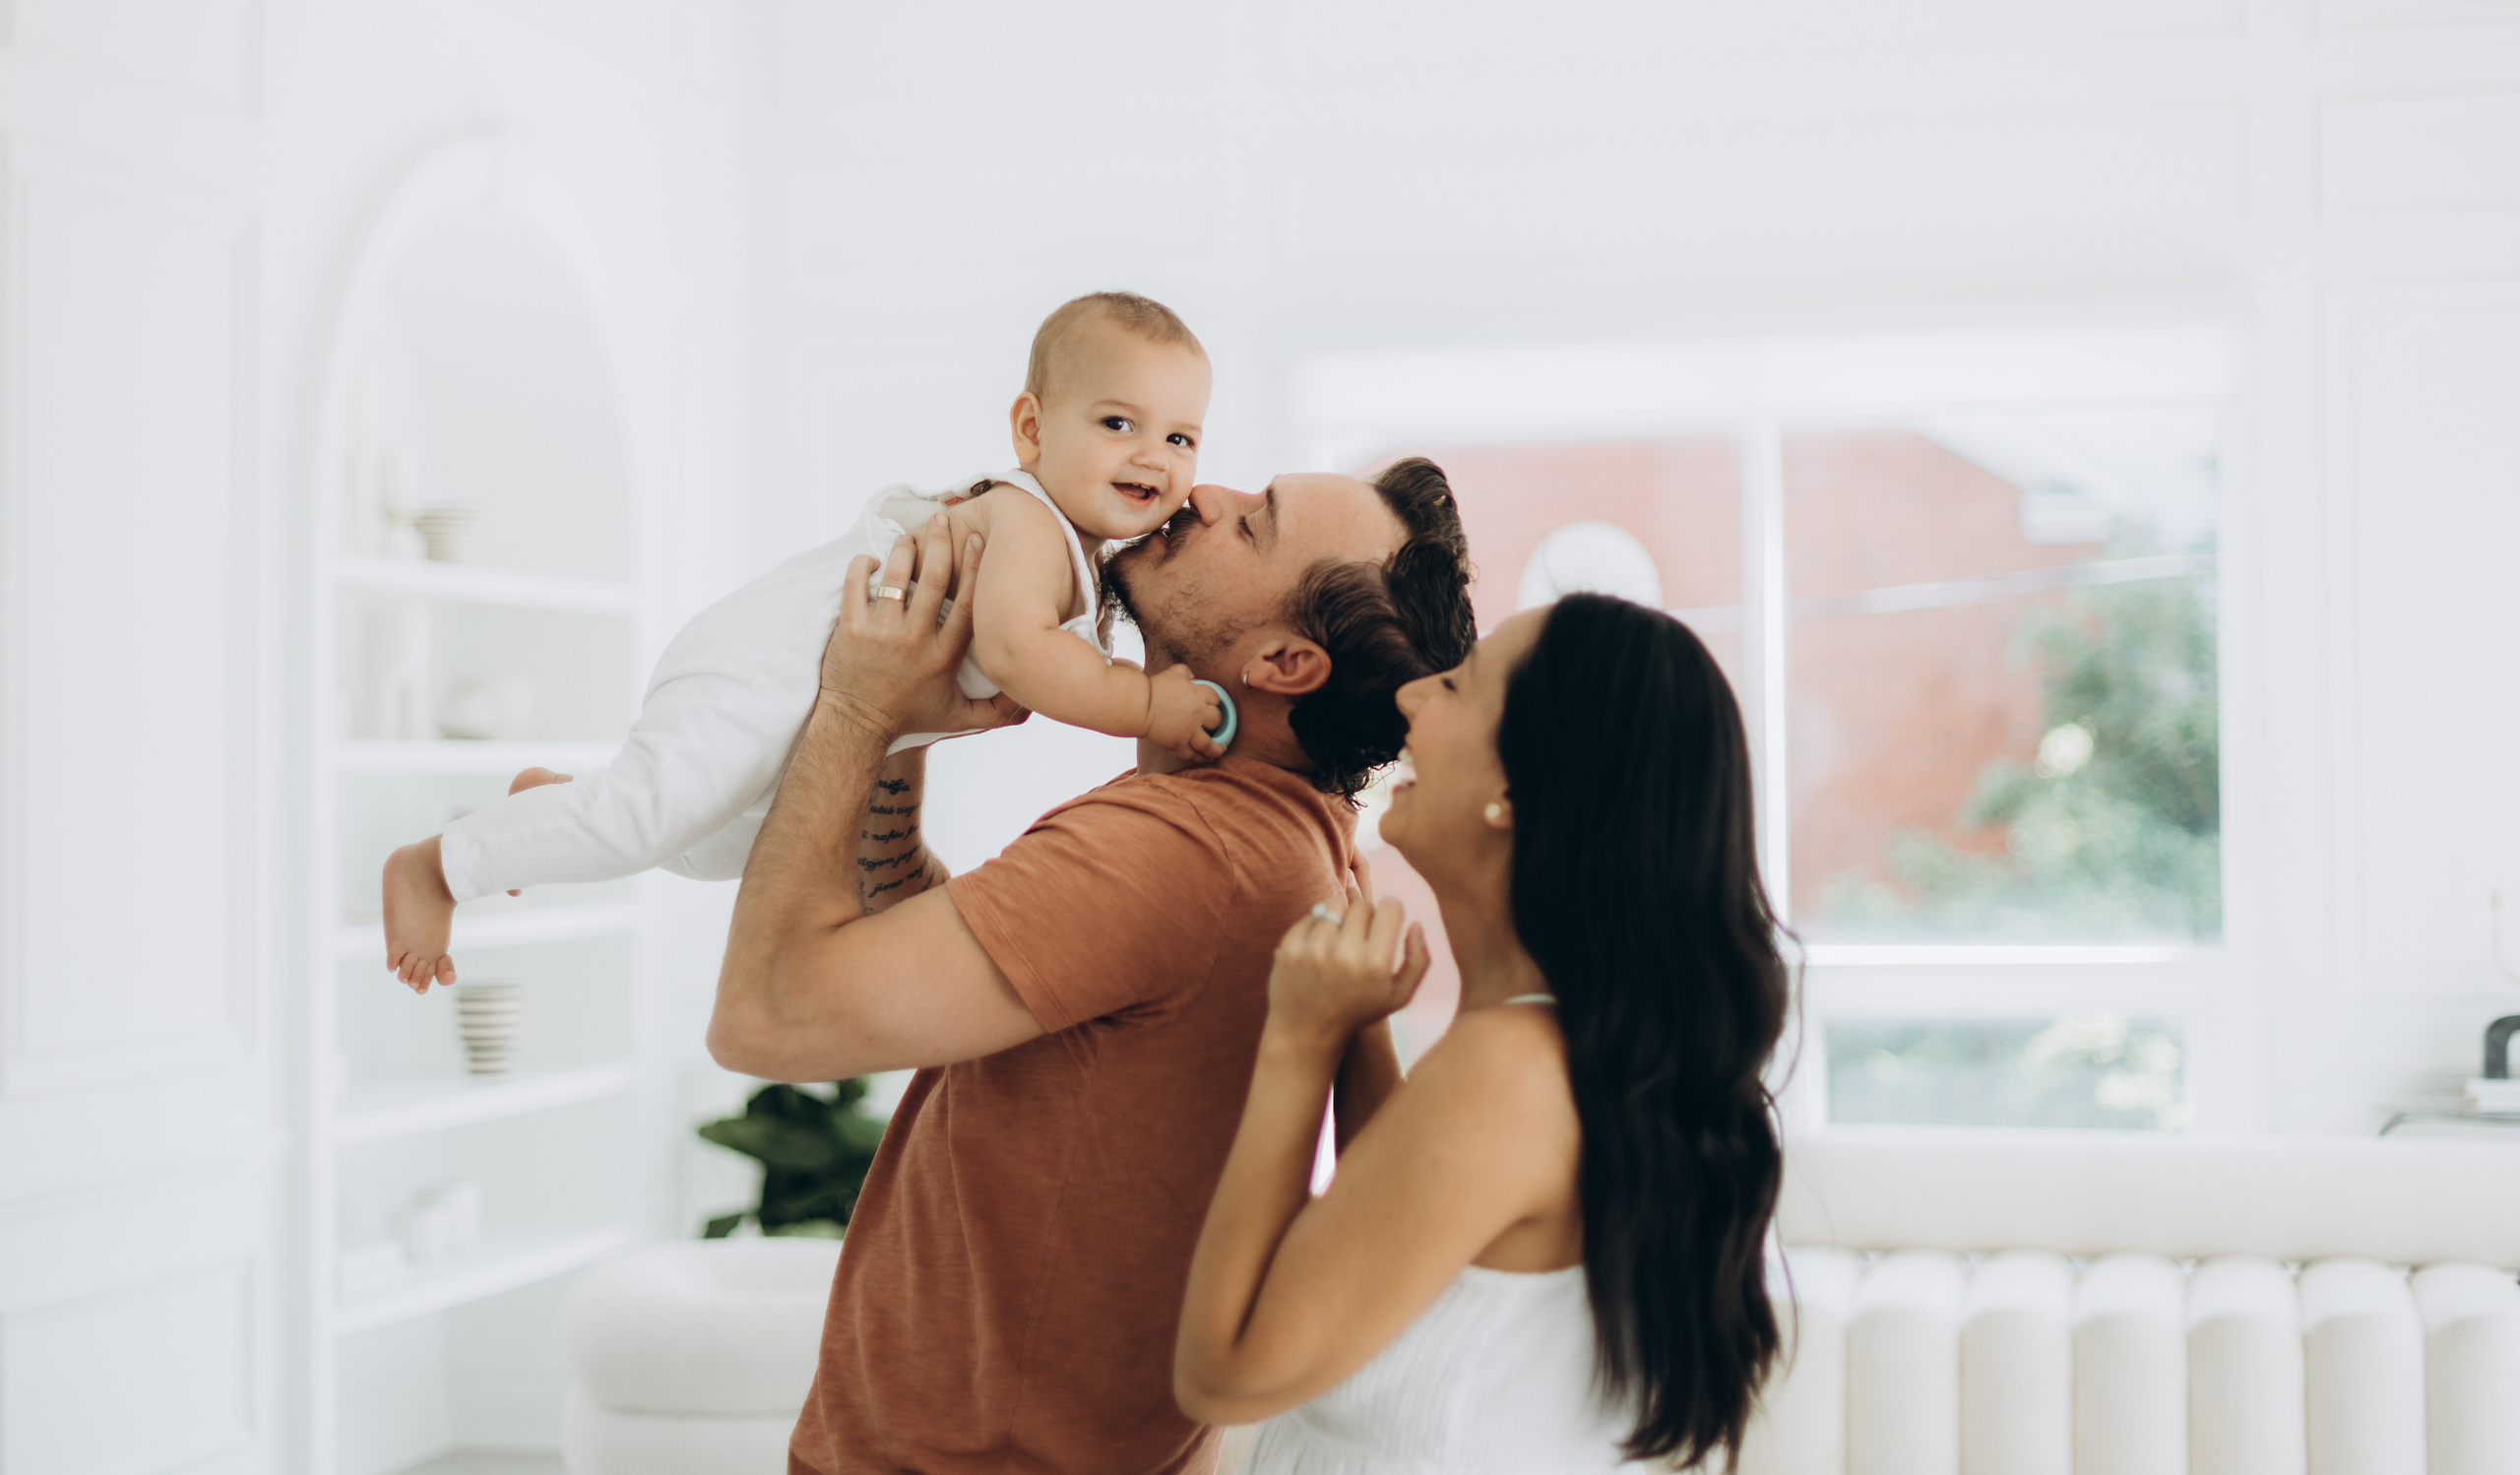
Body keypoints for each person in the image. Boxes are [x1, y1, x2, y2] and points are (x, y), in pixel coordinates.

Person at [707, 460, 1478, 1474]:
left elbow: (766, 1015)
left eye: (1252, 527)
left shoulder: (1186, 850)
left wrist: (853, 706)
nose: (1203, 495)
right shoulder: (1297, 844)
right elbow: (946, 959)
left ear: (1286, 664)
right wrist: (902, 734)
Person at [378, 291, 1230, 993]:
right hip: (765, 667)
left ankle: (558, 801)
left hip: (810, 710)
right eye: (1119, 423)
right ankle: (436, 866)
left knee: (723, 848)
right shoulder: (1029, 523)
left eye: (1180, 438)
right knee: (653, 817)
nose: (1152, 455)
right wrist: (1147, 700)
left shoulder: (1075, 547)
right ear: (1032, 430)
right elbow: (1018, 651)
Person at [1173, 593, 1793, 1472]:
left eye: (1459, 686)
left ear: (1516, 787)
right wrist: (1355, 1029)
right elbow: (1400, 1243)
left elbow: (1225, 1371)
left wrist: (1298, 1044)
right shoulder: (1552, 1054)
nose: (1411, 697)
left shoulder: (1512, 1071)